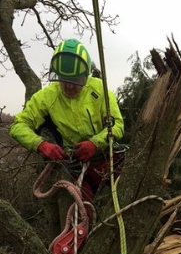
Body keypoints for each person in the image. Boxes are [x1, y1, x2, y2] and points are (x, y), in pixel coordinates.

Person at [9, 38, 125, 202]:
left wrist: (95, 143)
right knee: (82, 212)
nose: (69, 86)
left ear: (85, 76)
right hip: (75, 167)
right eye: (64, 80)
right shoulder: (47, 97)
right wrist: (41, 145)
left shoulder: (100, 90)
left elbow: (118, 125)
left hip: (107, 157)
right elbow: (17, 126)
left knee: (129, 193)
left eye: (75, 81)